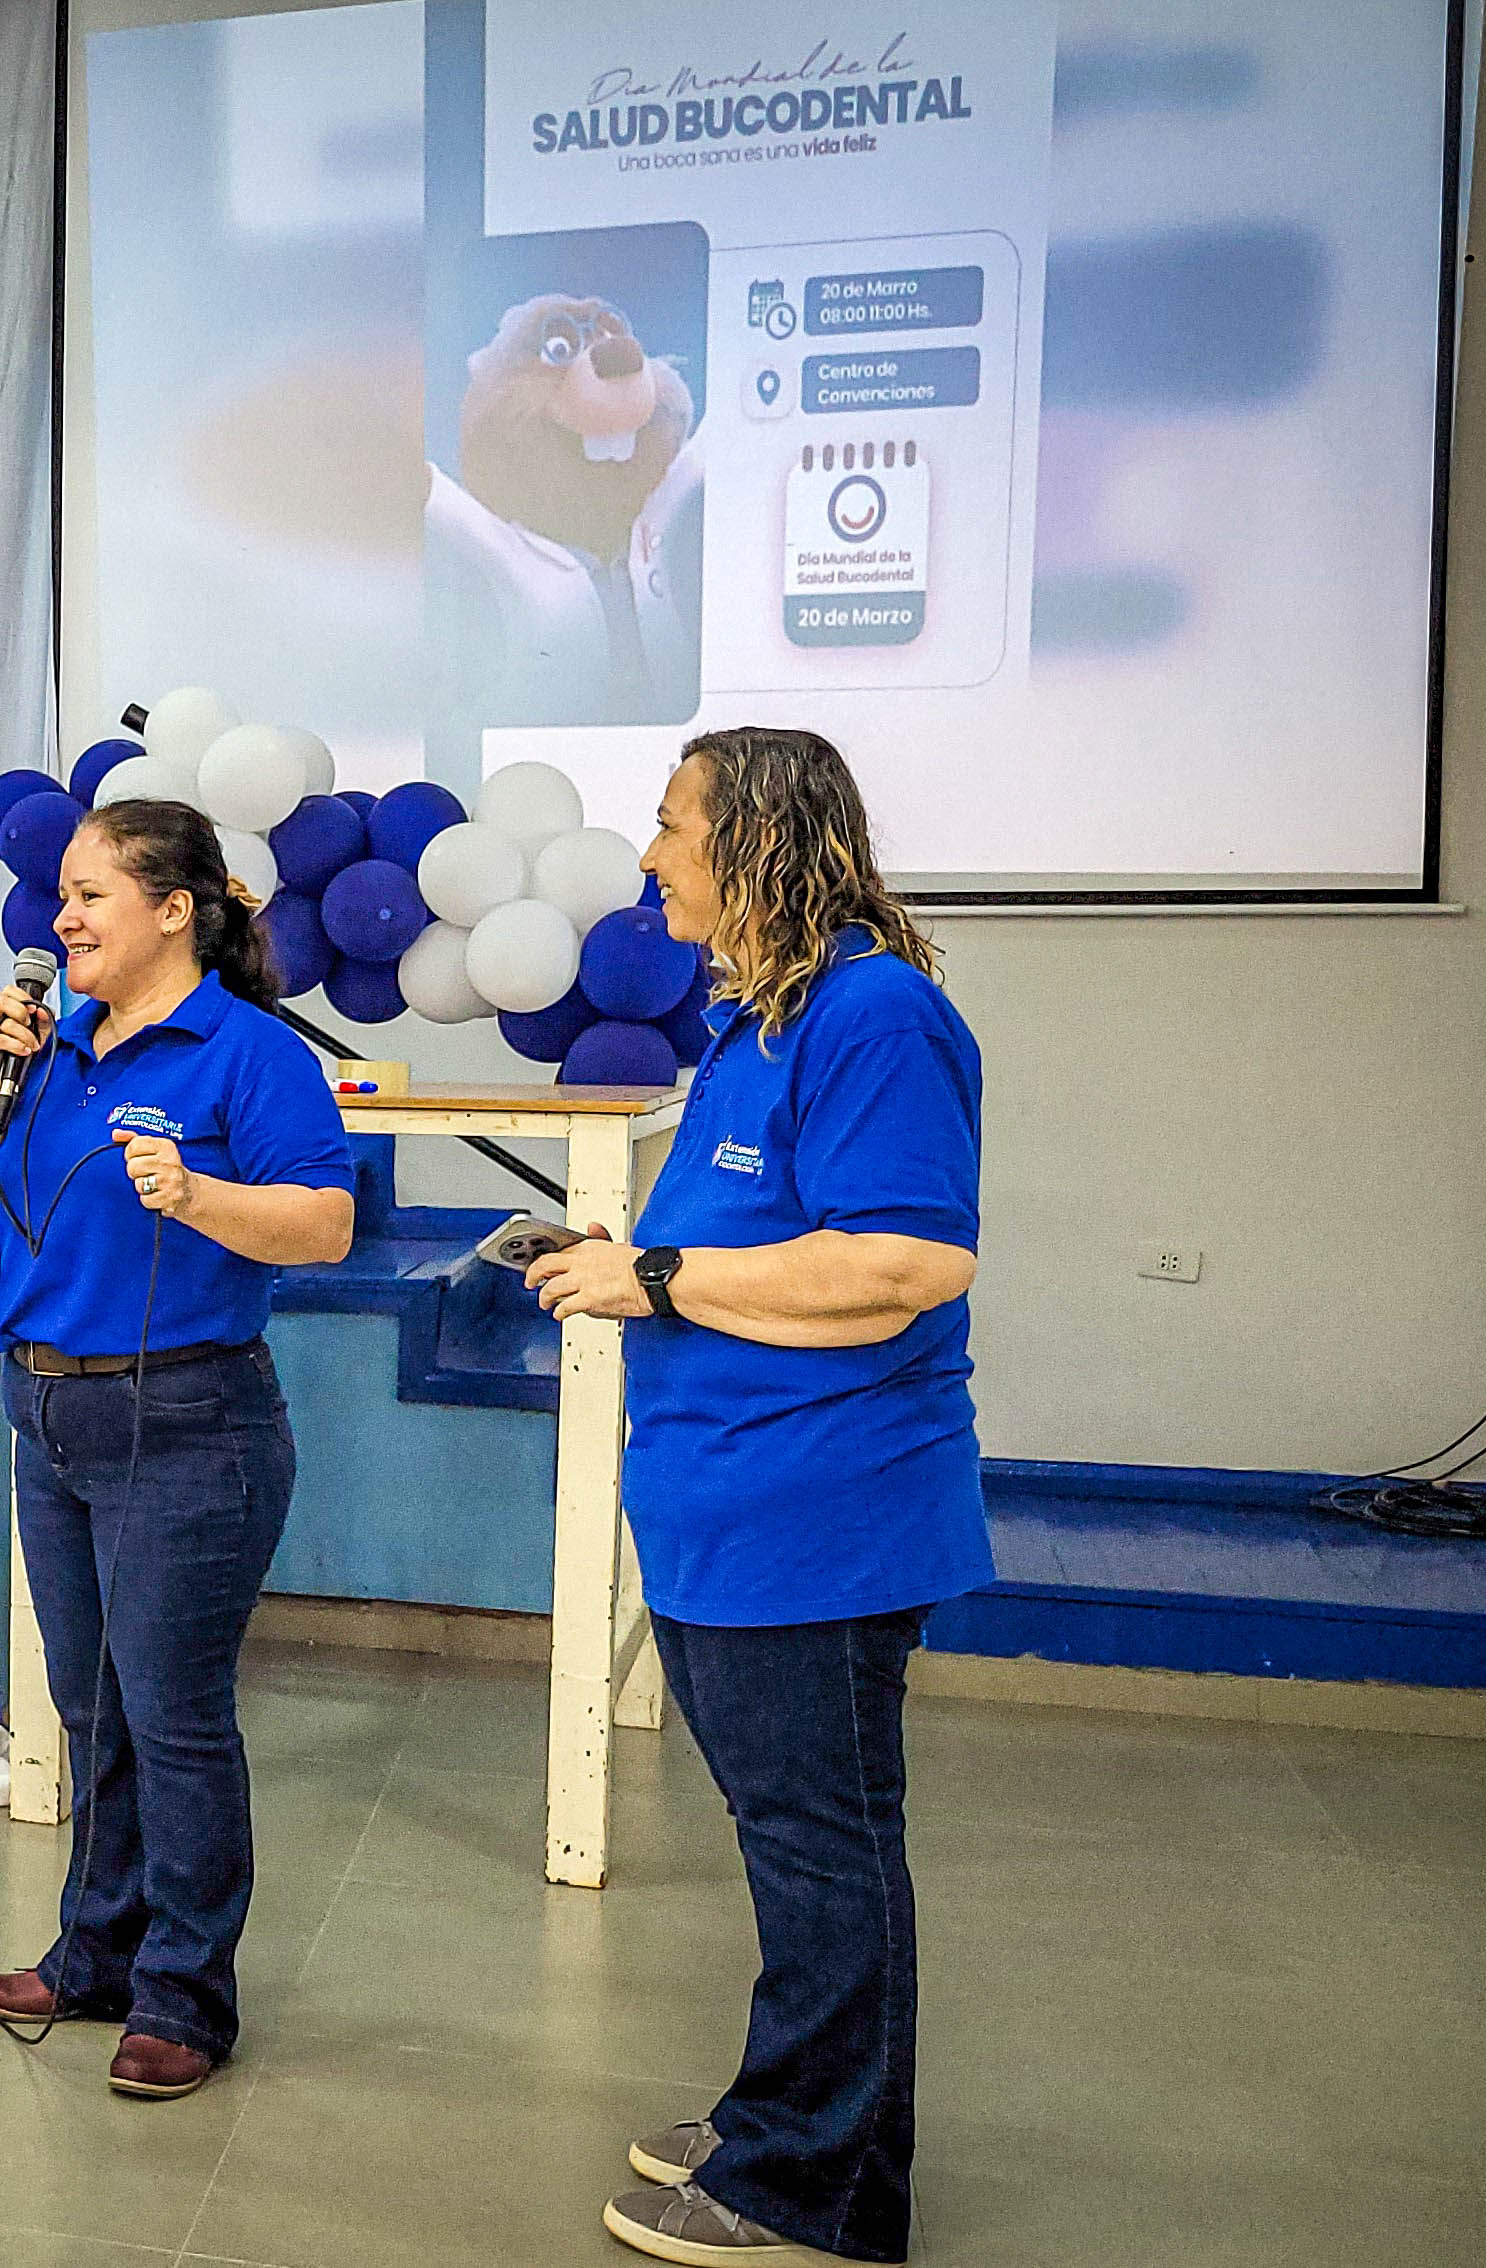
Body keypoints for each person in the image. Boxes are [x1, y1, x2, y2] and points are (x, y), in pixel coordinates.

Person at [524, 725, 987, 2266]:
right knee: (794, 1840)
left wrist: (649, 1272)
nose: (648, 856)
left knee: (822, 1848)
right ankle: (797, 2112)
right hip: (731, 1510)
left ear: (763, 840)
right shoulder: (754, 1024)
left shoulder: (874, 1017)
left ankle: (820, 2189)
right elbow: (747, 1257)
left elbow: (907, 1265)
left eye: (668, 825)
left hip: (825, 1516)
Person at [0, 799, 361, 2102]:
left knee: (173, 1721)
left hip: (188, 1423)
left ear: (175, 911)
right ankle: (97, 1955)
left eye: (88, 897)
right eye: (59, 899)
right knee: (92, 1710)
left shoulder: (250, 1055)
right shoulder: (54, 1049)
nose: (58, 920)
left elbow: (327, 1225)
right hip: (50, 1415)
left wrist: (204, 1196)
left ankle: (187, 1993)